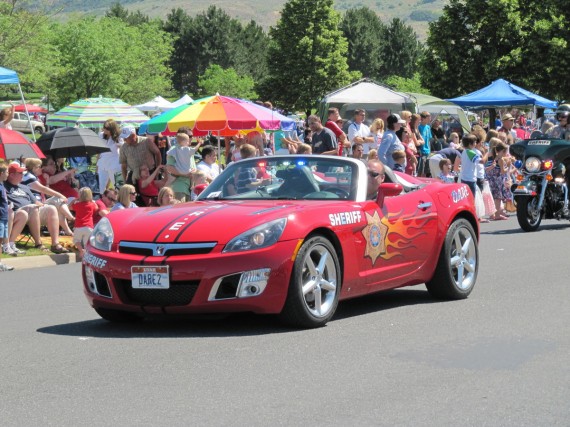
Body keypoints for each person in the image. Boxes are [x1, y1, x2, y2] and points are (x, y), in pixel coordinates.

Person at [4, 162, 69, 254]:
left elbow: (36, 202)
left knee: (51, 208)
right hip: (17, 213)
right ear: (11, 175)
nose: (22, 175)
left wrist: (42, 205)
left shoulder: (24, 187)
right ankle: (38, 243)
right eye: (20, 173)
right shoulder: (4, 186)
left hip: (33, 212)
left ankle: (55, 244)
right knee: (33, 208)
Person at [166, 132, 201, 202]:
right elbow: (169, 167)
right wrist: (184, 174)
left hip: (187, 188)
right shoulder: (175, 149)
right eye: (190, 136)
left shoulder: (187, 149)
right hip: (179, 187)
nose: (192, 138)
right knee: (179, 210)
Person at [484, 140, 511, 220]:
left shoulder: (493, 158)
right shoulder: (501, 159)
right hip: (497, 180)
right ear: (501, 151)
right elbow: (503, 171)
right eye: (505, 152)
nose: (506, 154)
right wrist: (508, 166)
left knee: (493, 197)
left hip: (491, 180)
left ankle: (493, 214)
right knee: (498, 198)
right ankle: (497, 214)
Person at [69, 187, 98, 258]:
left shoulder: (78, 205)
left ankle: (81, 250)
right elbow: (97, 208)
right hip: (89, 226)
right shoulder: (92, 205)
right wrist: (93, 201)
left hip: (78, 226)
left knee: (76, 240)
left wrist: (74, 200)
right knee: (87, 243)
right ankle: (87, 253)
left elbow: (70, 207)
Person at [96, 118, 123, 191]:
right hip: (102, 164)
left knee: (119, 187)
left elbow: (123, 148)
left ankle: (121, 200)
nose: (104, 129)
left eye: (107, 128)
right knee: (101, 188)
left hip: (115, 164)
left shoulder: (118, 137)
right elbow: (99, 151)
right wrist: (97, 165)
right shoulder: (101, 135)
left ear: (112, 129)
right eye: (104, 127)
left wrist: (119, 144)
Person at [0, 163, 14, 271]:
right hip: (0, 217)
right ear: (1, 173)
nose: (8, 174)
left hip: (4, 216)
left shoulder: (2, 185)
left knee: (1, 240)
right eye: (7, 172)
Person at [417, 111, 433, 176]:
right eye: (428, 116)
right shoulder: (419, 127)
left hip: (427, 151)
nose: (430, 118)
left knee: (426, 170)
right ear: (423, 118)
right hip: (421, 151)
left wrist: (429, 150)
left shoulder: (428, 127)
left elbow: (429, 139)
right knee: (420, 170)